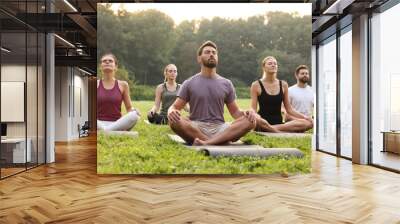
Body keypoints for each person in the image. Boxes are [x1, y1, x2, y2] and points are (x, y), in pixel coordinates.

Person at [168, 41, 256, 145]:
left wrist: (247, 113)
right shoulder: (189, 83)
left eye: (214, 52)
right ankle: (217, 141)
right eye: (207, 52)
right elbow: (175, 107)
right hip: (196, 127)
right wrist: (171, 111)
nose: (211, 54)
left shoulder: (227, 83)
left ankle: (207, 143)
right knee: (174, 121)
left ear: (217, 58)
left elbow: (235, 112)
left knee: (251, 121)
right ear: (199, 58)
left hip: (220, 128)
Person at [250, 56, 313, 133]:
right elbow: (253, 109)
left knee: (307, 123)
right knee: (257, 120)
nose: (273, 65)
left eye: (275, 64)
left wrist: (306, 117)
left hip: (279, 122)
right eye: (270, 63)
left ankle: (270, 129)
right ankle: (270, 128)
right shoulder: (256, 85)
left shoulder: (283, 84)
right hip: (262, 121)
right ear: (264, 67)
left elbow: (289, 109)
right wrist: (256, 117)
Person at [97, 53, 140, 131]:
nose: (107, 62)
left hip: (117, 123)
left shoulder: (123, 85)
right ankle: (109, 131)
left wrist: (134, 110)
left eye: (110, 61)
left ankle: (105, 131)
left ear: (115, 67)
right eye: (104, 61)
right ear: (101, 66)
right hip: (98, 123)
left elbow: (129, 108)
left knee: (134, 115)